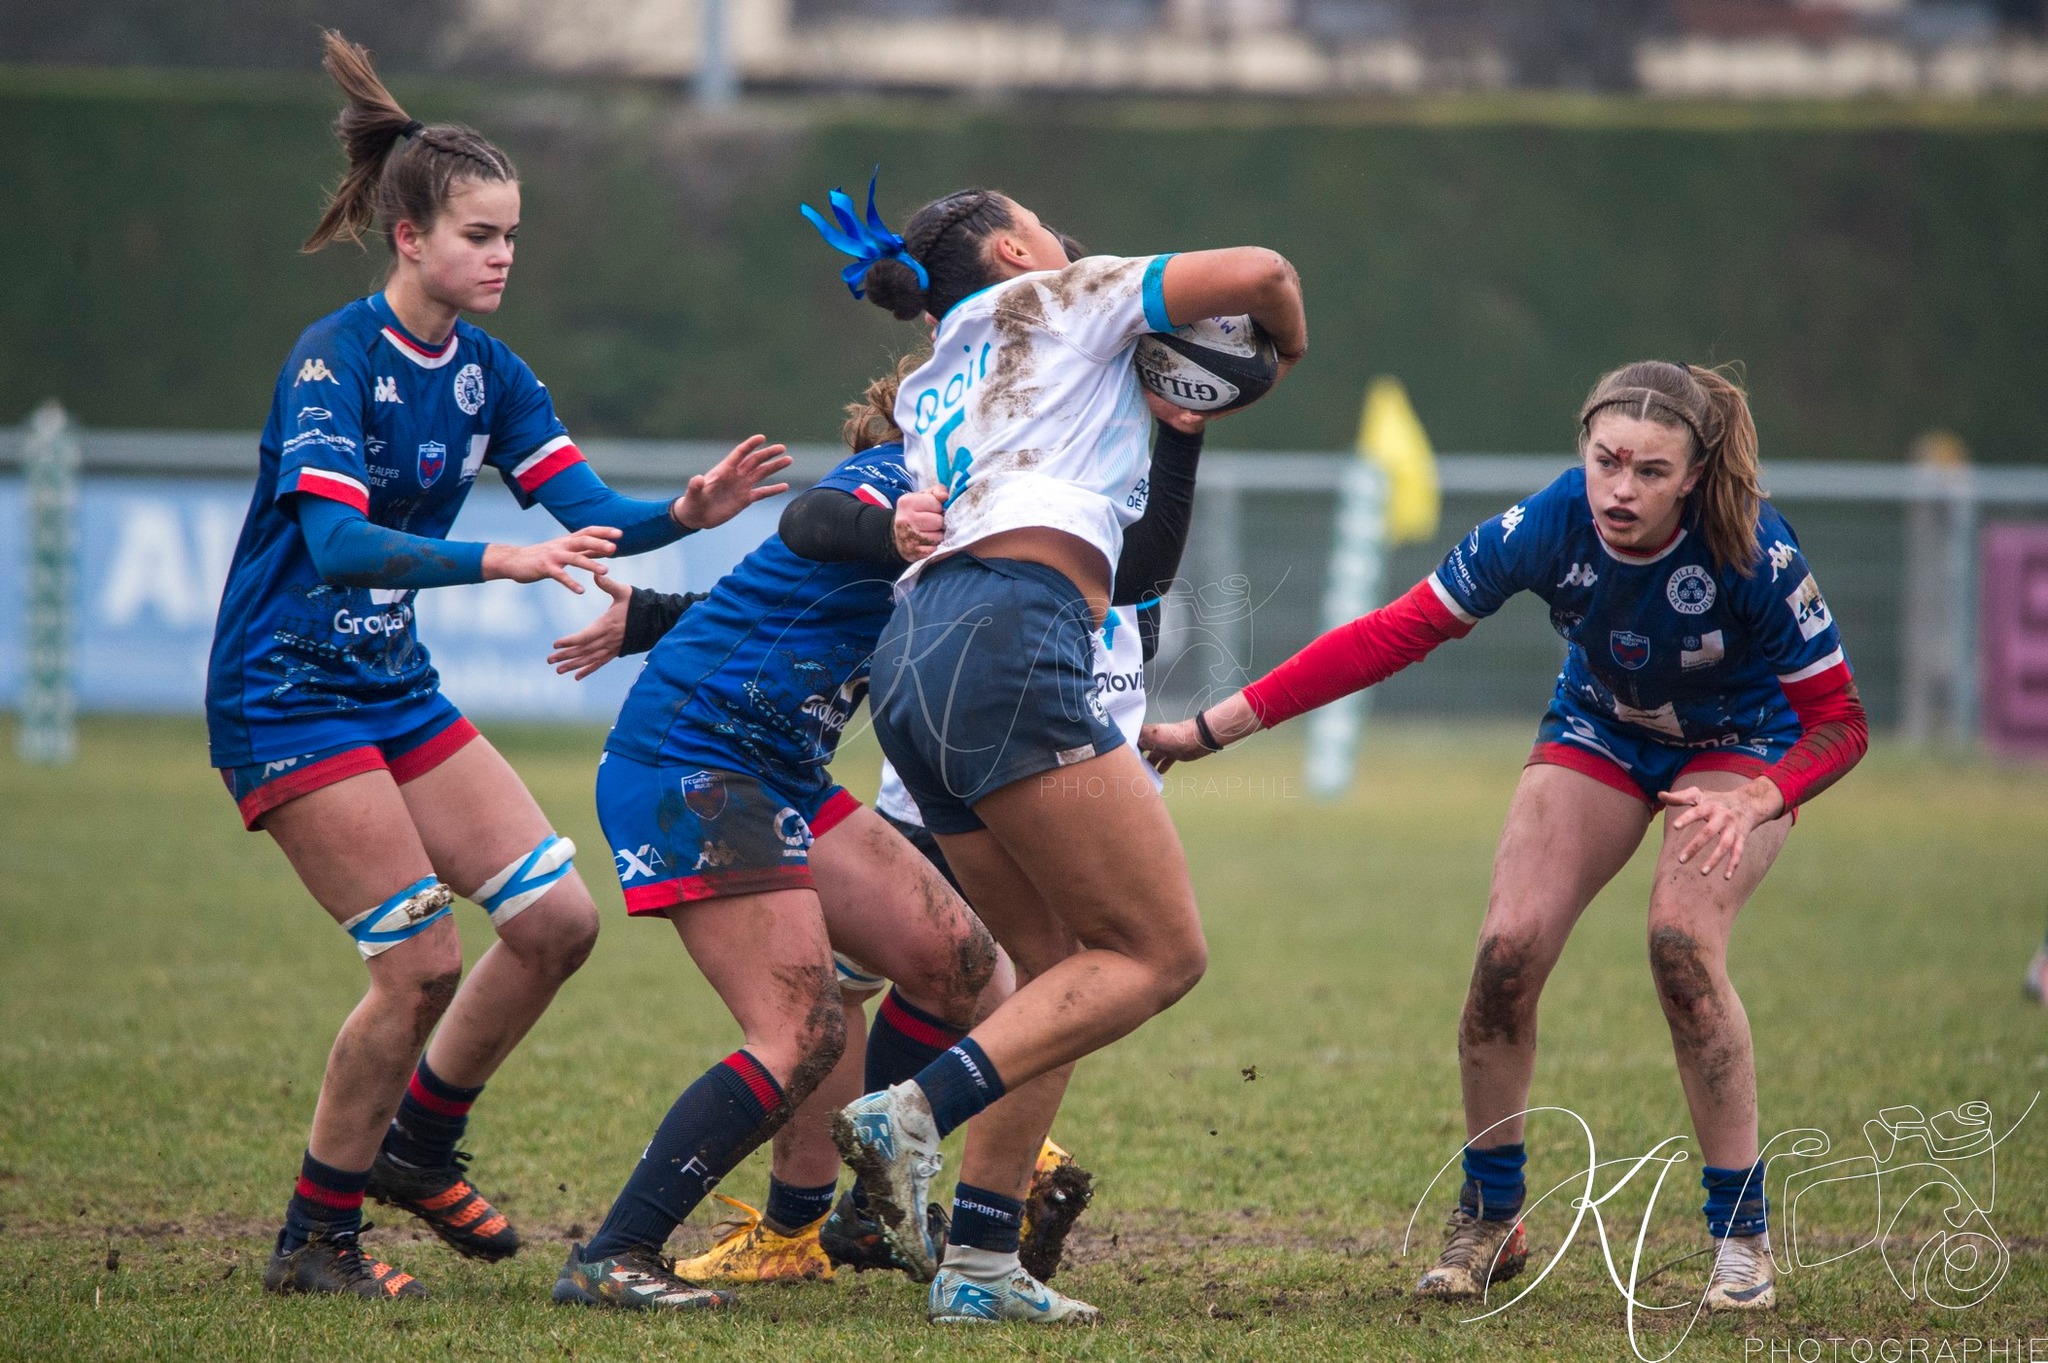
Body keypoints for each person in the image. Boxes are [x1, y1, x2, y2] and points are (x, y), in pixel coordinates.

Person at [206, 31, 789, 1301]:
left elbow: (579, 507)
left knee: (554, 921)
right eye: (481, 235)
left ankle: (418, 1147)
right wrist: (498, 564)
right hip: (285, 695)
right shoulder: (335, 358)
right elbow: (338, 543)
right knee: (416, 965)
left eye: (513, 234)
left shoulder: (488, 371)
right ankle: (314, 1238)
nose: (504, 255)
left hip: (387, 690)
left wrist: (682, 514)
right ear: (408, 235)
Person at [1143, 362, 1868, 1313]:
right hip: (1603, 728)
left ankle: (1741, 1240)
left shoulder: (1752, 551)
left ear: (1692, 476)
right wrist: (1212, 727)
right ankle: (1492, 1218)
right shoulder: (1554, 523)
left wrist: (1760, 798)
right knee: (1506, 952)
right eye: (1606, 460)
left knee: (1682, 949)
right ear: (1583, 452)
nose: (1621, 488)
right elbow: (1394, 631)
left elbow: (1843, 721)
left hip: (1744, 749)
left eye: (1651, 471)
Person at [542, 360, 1204, 1315]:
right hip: (695, 760)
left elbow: (1132, 574)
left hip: (786, 771)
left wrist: (1180, 437)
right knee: (802, 1032)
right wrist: (896, 519)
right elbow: (807, 522)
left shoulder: (1003, 509)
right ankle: (616, 1251)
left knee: (966, 969)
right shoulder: (909, 474)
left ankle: (869, 1201)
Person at [802, 177, 1306, 1321]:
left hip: (915, 654)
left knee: (1055, 965)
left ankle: (980, 1264)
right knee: (1159, 954)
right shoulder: (1063, 294)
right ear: (1017, 244)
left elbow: (1120, 554)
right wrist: (1286, 355)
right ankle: (911, 1109)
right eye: (1040, 227)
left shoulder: (942, 374)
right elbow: (1265, 272)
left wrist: (1173, 422)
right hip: (1010, 636)